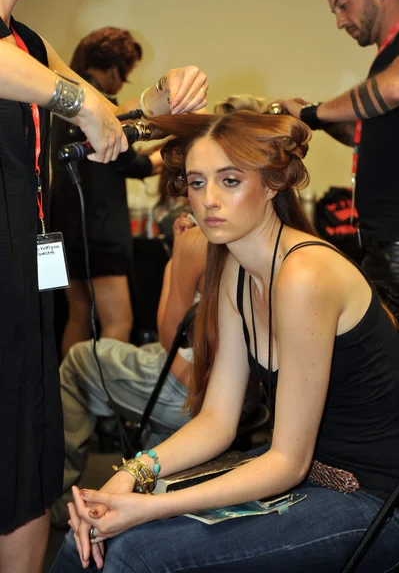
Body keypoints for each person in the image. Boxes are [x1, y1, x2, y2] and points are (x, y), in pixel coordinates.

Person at [51, 110, 399, 572]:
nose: (209, 200)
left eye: (229, 181)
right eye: (197, 183)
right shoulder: (237, 269)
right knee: (87, 537)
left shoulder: (305, 275)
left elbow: (288, 462)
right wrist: (133, 475)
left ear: (272, 183)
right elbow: (217, 420)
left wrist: (149, 506)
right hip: (303, 481)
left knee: (134, 552)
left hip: (371, 500)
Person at [0, 0, 208, 570]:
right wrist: (81, 99)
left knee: (28, 449)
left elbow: (108, 118)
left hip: (24, 278)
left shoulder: (32, 47)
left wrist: (161, 98)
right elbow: (80, 102)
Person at [51, 219, 207, 528]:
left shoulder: (198, 242)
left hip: (191, 391)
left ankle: (57, 504)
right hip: (245, 398)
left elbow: (169, 337)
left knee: (79, 358)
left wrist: (176, 258)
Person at [276, 0, 399, 323]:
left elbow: (392, 89)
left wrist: (314, 111)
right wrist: (313, 121)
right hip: (380, 244)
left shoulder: (392, 69)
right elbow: (366, 133)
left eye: (343, 5)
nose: (340, 21)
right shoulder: (386, 58)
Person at [51, 27, 159, 357]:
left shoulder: (63, 102)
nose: (119, 86)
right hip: (98, 231)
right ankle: (105, 404)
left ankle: (69, 402)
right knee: (118, 321)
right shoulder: (98, 107)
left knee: (79, 312)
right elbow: (133, 164)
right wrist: (168, 156)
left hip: (63, 227)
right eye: (122, 77)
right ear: (114, 69)